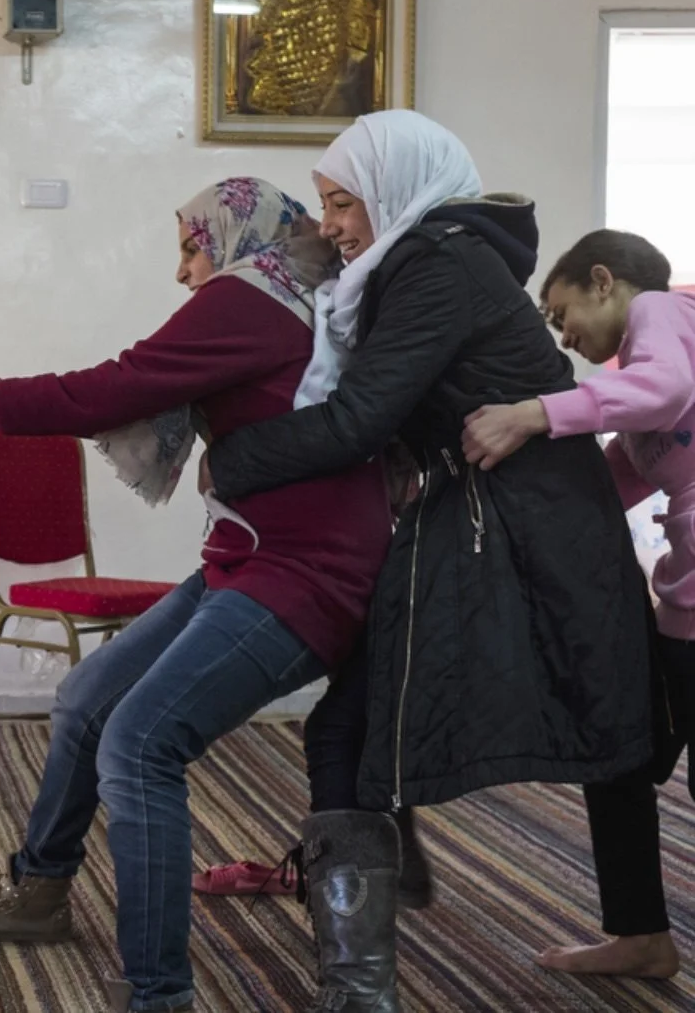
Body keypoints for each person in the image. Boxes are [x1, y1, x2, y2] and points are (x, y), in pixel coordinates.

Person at [0, 177, 395, 1013]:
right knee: (89, 696)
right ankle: (41, 890)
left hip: (301, 575)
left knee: (137, 743)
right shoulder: (287, 294)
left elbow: (118, 385)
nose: (182, 270)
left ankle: (158, 993)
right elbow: (138, 387)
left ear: (235, 238)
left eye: (191, 245)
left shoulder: (251, 297)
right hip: (253, 558)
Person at [196, 111, 655, 1010]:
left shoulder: (437, 264)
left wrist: (231, 461)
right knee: (593, 715)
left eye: (341, 202)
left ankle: (368, 967)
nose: (329, 224)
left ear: (395, 191)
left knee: (608, 717)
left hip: (526, 527)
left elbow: (359, 419)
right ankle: (389, 908)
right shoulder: (426, 259)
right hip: (499, 514)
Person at [463, 229, 692, 980]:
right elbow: (604, 483)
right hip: (684, 604)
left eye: (564, 314)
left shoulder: (663, 311)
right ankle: (640, 935)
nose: (565, 336)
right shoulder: (636, 397)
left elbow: (664, 390)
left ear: (604, 280)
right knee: (616, 744)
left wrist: (533, 411)